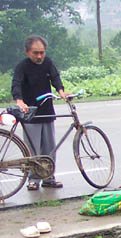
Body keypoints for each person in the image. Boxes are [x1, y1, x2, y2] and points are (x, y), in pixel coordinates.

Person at [11, 35, 67, 190]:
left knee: (49, 147)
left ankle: (49, 177)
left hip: (47, 110)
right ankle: (33, 179)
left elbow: (55, 78)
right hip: (30, 112)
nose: (39, 56)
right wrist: (19, 101)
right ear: (27, 52)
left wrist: (61, 92)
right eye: (36, 53)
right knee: (32, 149)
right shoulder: (22, 66)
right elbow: (16, 84)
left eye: (42, 52)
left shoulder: (47, 62)